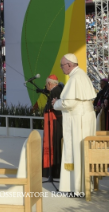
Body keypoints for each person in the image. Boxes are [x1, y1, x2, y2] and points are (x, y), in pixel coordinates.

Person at [52, 53, 96, 196]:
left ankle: (77, 188)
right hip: (83, 118)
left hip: (79, 121)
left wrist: (56, 103)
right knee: (82, 153)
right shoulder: (80, 75)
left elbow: (69, 102)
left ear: (69, 65)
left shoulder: (76, 78)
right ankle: (81, 187)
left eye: (62, 65)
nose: (61, 68)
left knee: (77, 151)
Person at [42, 75, 63, 179]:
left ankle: (53, 171)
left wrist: (60, 122)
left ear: (49, 84)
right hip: (54, 123)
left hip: (55, 124)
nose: (46, 87)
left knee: (54, 146)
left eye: (46, 85)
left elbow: (58, 110)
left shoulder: (55, 91)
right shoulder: (57, 90)